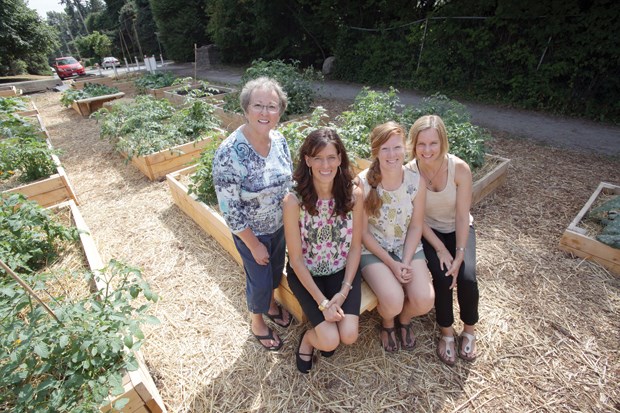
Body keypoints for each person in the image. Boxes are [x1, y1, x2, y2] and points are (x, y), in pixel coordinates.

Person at [213, 76, 293, 352]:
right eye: (258, 105)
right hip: (251, 232)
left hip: (279, 226)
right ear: (246, 108)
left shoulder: (280, 140)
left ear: (279, 111)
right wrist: (254, 243)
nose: (265, 112)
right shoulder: (229, 153)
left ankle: (271, 304)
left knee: (273, 271)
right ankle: (257, 322)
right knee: (258, 280)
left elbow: (289, 181)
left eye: (272, 106)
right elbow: (230, 210)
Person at [283, 128, 364, 373]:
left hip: (341, 271)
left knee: (348, 335)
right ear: (307, 161)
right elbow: (296, 260)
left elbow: (355, 247)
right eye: (318, 158)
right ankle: (308, 339)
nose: (325, 165)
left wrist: (344, 290)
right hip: (306, 273)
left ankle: (325, 325)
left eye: (331, 157)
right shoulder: (293, 201)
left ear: (340, 159)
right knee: (329, 341)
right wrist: (323, 303)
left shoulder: (354, 194)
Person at [406, 114, 479, 366]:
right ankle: (446, 333)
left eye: (433, 143)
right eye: (421, 144)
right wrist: (439, 249)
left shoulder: (459, 169)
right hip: (428, 231)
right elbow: (416, 219)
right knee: (442, 274)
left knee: (467, 276)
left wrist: (459, 253)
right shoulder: (409, 172)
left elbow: (461, 215)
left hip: (458, 228)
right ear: (413, 145)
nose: (427, 150)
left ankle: (469, 330)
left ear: (443, 142)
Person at [356, 121, 434, 352]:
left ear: (405, 149)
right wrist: (391, 263)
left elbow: (416, 225)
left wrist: (406, 261)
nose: (392, 154)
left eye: (397, 147)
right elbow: (362, 233)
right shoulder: (363, 184)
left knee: (424, 300)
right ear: (376, 152)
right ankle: (388, 321)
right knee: (393, 300)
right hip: (373, 250)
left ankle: (405, 319)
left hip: (406, 247)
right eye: (385, 149)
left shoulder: (414, 181)